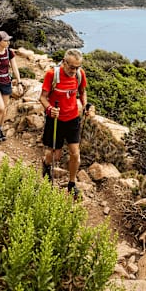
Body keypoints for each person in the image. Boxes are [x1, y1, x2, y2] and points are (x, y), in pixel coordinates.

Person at [40, 48, 94, 198]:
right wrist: (50, 109)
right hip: (55, 119)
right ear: (64, 62)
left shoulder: (79, 74)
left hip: (72, 118)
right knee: (54, 155)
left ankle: (72, 183)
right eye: (71, 67)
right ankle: (46, 165)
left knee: (75, 153)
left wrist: (85, 106)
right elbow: (43, 97)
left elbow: (82, 92)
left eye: (77, 67)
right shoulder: (52, 74)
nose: (74, 70)